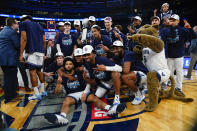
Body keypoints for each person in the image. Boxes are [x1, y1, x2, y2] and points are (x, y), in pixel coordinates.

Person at [44, 57, 126, 125]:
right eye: (66, 64)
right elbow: (56, 93)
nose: (68, 66)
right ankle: (62, 117)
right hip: (72, 94)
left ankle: (110, 109)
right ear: (64, 66)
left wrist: (86, 81)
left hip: (83, 92)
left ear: (73, 65)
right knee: (66, 101)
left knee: (94, 98)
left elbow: (92, 82)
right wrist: (58, 84)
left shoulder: (80, 72)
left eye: (70, 64)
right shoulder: (61, 75)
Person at [163, 14, 194, 95]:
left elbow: (194, 36)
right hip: (169, 55)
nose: (172, 21)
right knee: (169, 73)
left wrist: (190, 28)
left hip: (179, 55)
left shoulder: (183, 30)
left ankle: (178, 88)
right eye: (171, 20)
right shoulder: (166, 30)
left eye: (174, 20)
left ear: (178, 21)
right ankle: (172, 86)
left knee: (179, 72)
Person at [19, 15, 47, 100]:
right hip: (40, 52)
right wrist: (43, 52)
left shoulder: (23, 24)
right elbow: (44, 41)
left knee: (32, 72)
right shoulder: (39, 26)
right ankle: (43, 91)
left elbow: (24, 39)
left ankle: (37, 94)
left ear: (23, 20)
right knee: (39, 71)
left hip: (32, 52)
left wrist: (20, 54)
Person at [0, 18, 20, 103]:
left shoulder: (2, 31)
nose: (18, 25)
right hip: (9, 60)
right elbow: (17, 45)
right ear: (12, 24)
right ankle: (9, 98)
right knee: (9, 79)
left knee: (10, 78)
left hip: (3, 59)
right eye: (17, 23)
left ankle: (13, 95)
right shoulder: (12, 32)